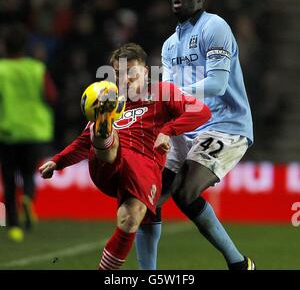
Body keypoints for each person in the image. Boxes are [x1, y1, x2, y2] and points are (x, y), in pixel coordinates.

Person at [39, 43, 211, 270]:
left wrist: (167, 131)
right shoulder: (112, 99)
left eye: (131, 72)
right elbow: (82, 143)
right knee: (106, 138)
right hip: (107, 164)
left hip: (143, 168)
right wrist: (58, 160)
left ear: (145, 72)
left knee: (130, 218)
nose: (125, 80)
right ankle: (104, 132)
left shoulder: (162, 92)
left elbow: (201, 112)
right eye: (119, 74)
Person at [135, 0, 256, 270]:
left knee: (186, 192)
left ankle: (239, 263)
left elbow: (216, 85)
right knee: (147, 200)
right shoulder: (168, 46)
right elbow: (171, 100)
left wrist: (168, 92)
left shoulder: (215, 27)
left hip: (226, 126)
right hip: (187, 129)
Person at [0, 25, 57, 242]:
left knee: (8, 178)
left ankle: (13, 225)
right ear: (25, 46)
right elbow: (51, 95)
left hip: (7, 131)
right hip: (35, 131)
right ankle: (28, 199)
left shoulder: (1, 69)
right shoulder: (37, 68)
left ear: (5, 46)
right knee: (28, 174)